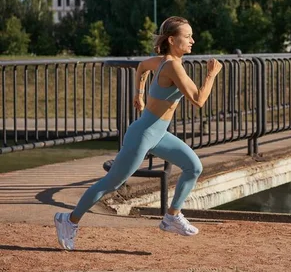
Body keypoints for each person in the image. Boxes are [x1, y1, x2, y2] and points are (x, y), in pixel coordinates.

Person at [54, 16, 222, 250]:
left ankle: (171, 216)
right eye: (188, 36)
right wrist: (212, 74)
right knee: (111, 183)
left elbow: (142, 67)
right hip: (143, 134)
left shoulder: (164, 62)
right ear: (172, 40)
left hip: (159, 133)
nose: (193, 40)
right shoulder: (171, 65)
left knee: (194, 167)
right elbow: (198, 99)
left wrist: (139, 93)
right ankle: (68, 220)